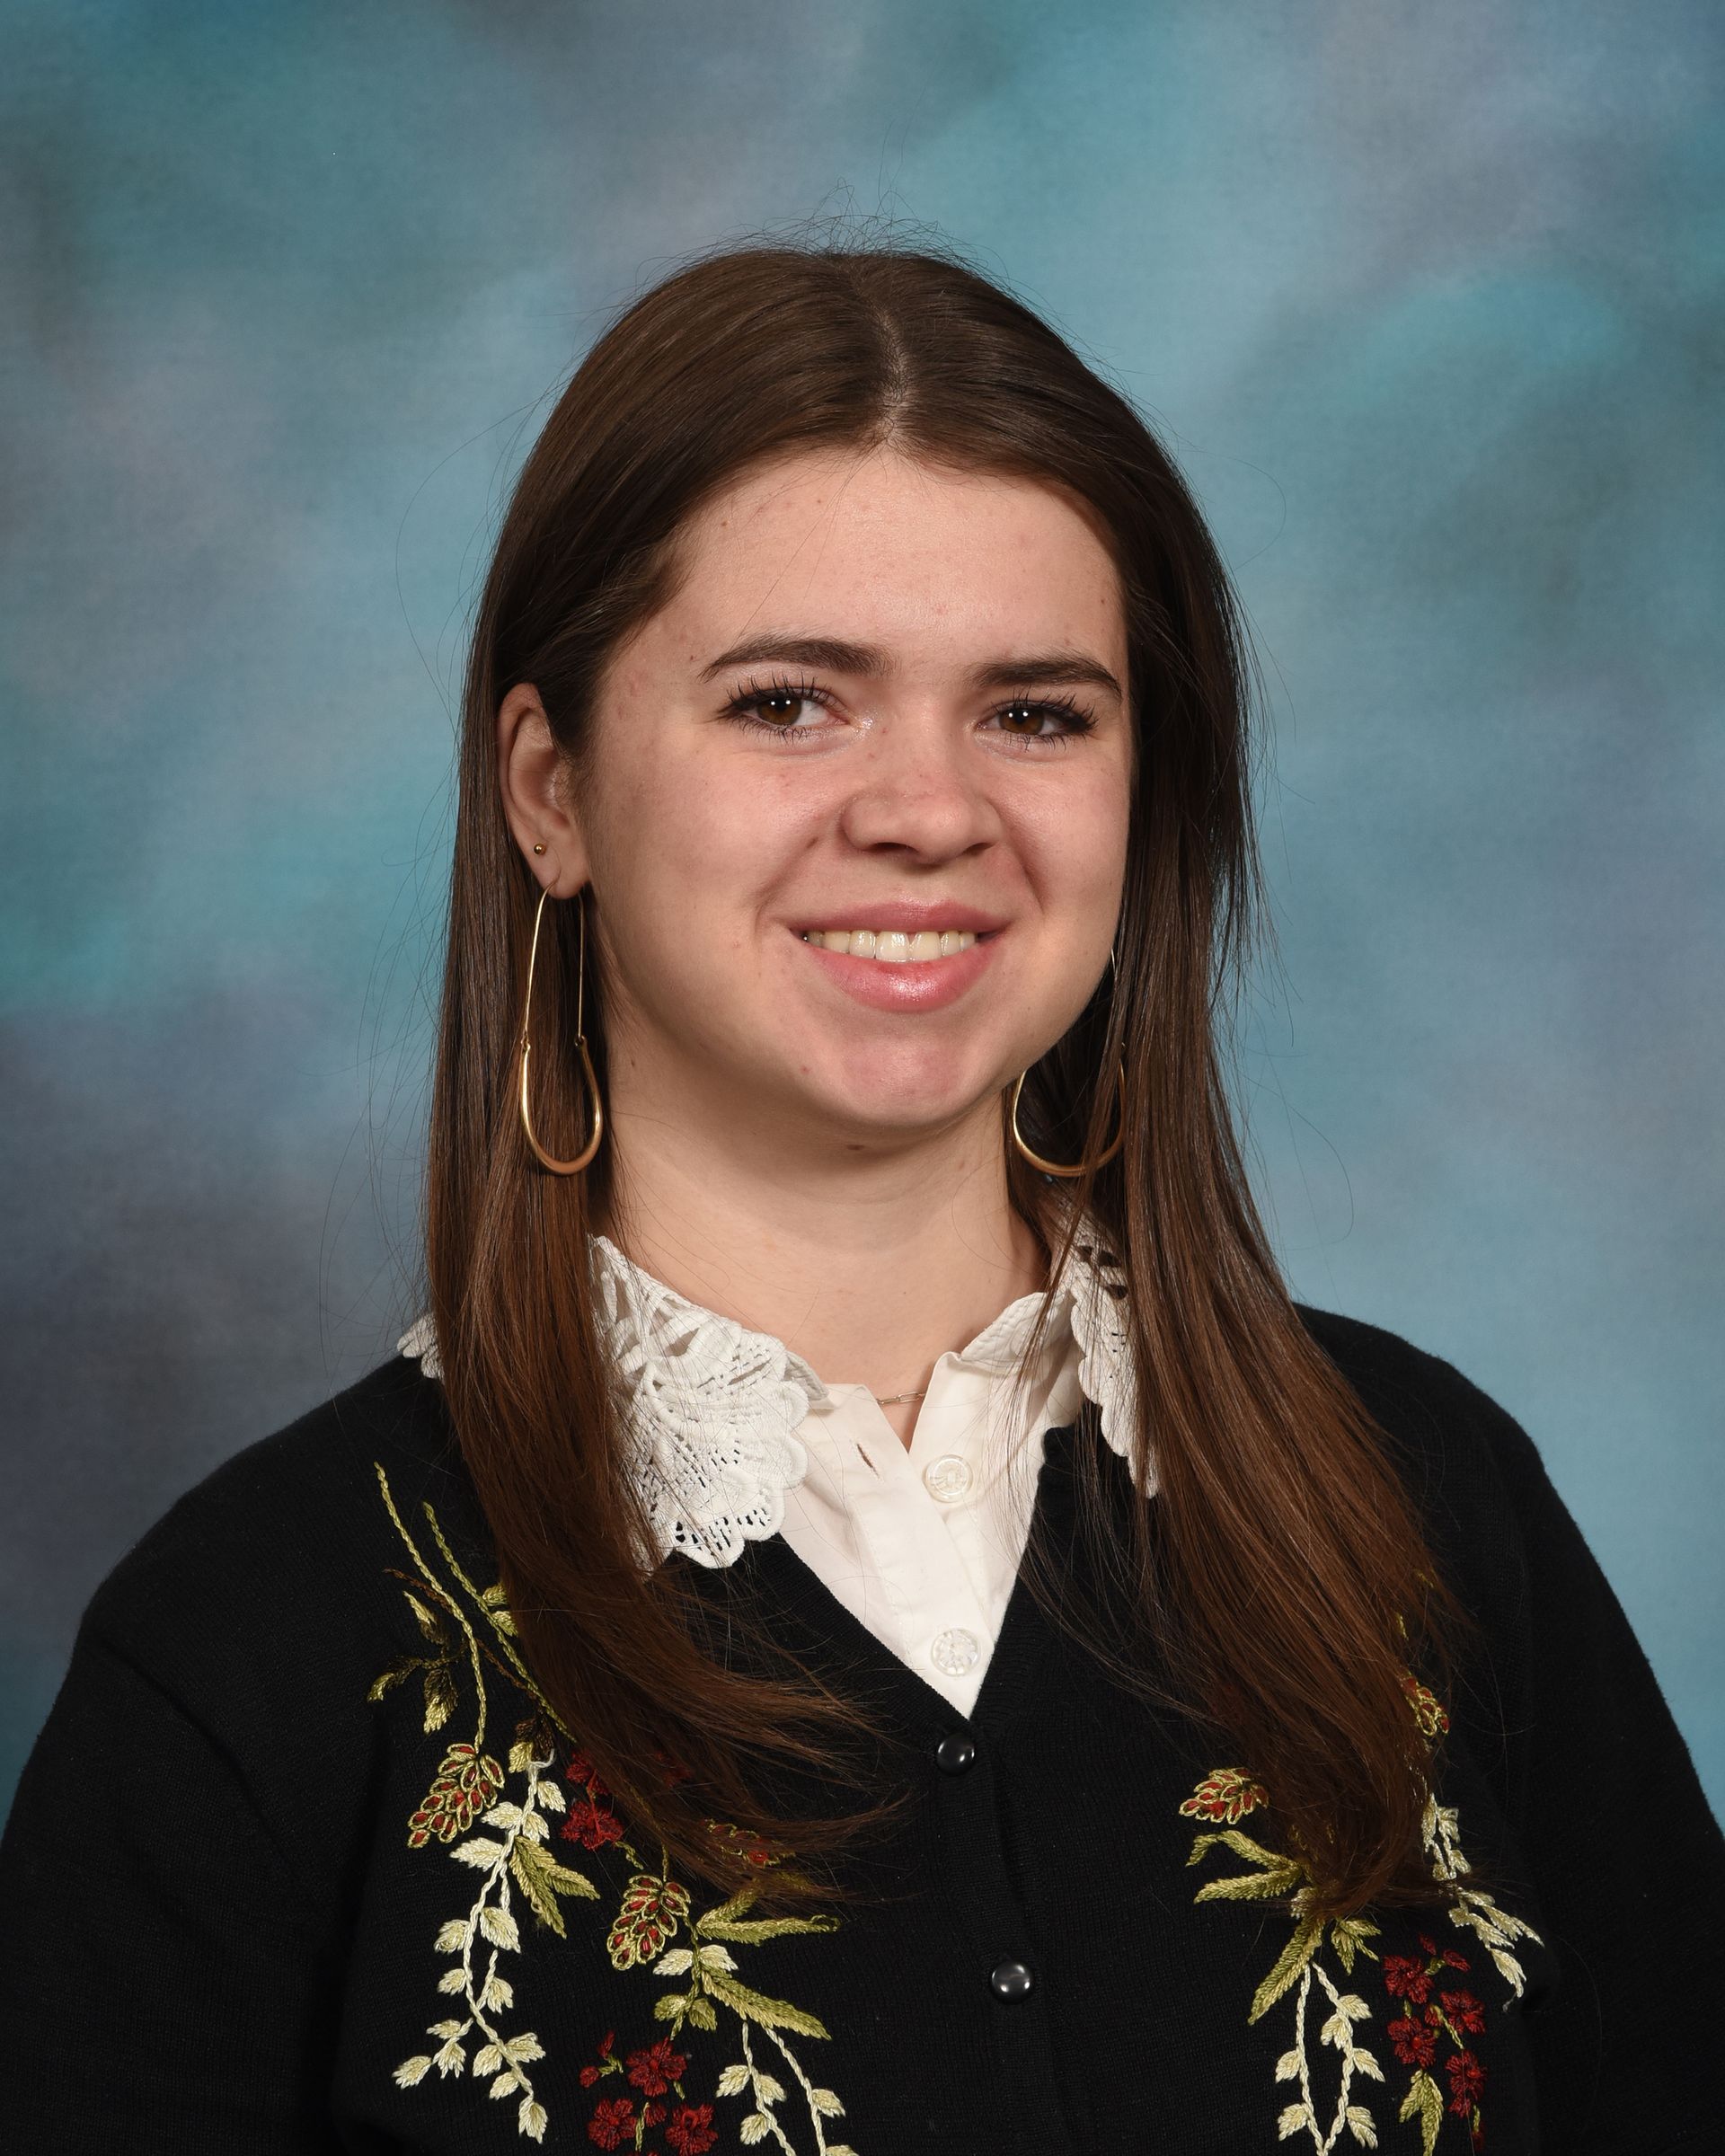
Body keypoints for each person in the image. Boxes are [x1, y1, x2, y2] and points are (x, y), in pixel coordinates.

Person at [1, 237, 1720, 2156]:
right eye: (790, 703)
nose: (927, 807)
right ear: (548, 791)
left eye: (1038, 712)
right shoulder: (254, 1653)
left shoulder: (1427, 1509)